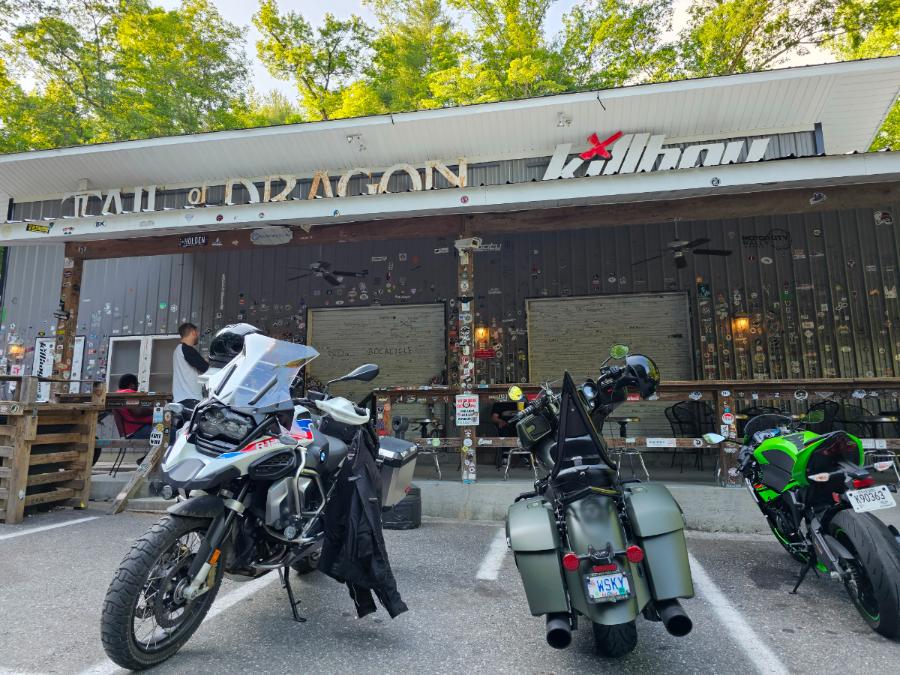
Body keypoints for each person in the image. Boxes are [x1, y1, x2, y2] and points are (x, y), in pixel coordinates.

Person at [172, 322, 208, 407]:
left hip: (181, 398)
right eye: (197, 332)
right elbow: (205, 367)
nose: (198, 335)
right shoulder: (186, 349)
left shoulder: (179, 349)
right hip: (190, 399)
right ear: (193, 332)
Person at [115, 374, 153, 439]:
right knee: (170, 433)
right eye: (137, 384)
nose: (137, 387)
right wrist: (154, 409)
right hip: (140, 429)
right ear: (132, 385)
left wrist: (122, 436)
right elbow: (138, 411)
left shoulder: (116, 396)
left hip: (129, 434)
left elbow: (117, 419)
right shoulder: (129, 393)